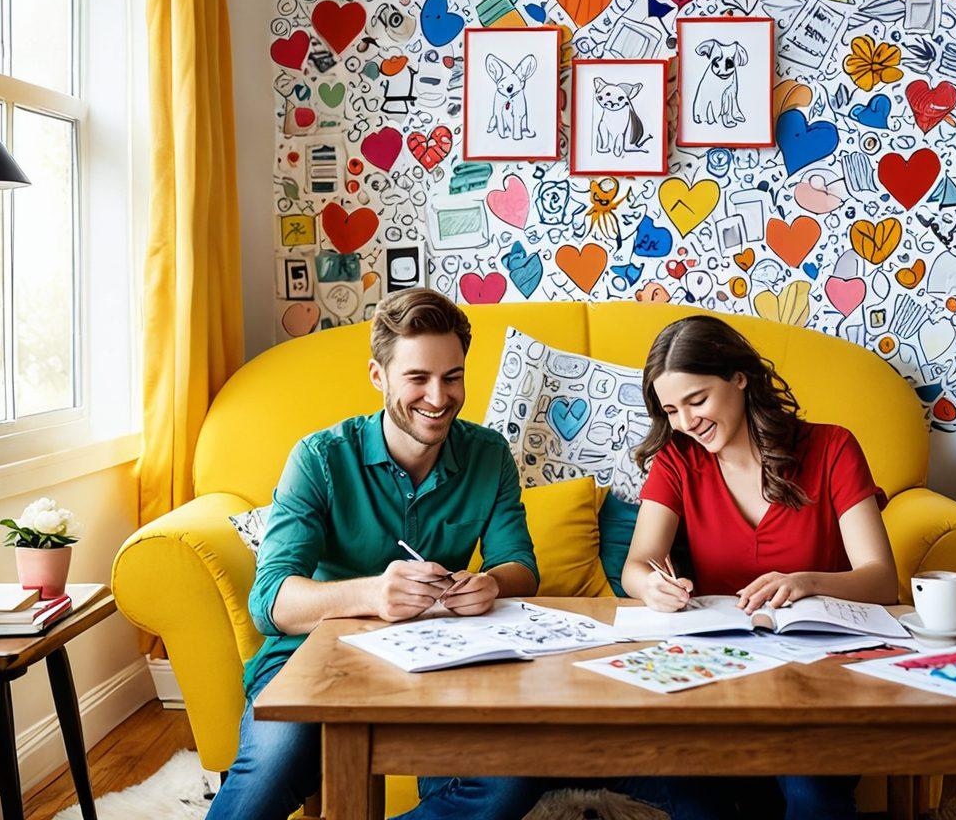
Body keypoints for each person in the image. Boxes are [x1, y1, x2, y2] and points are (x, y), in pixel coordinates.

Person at [206, 288, 543, 820]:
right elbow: (268, 601)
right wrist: (372, 593)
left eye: (452, 377)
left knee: (508, 779)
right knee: (272, 768)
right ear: (377, 376)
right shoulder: (319, 457)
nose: (439, 396)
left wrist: (491, 584)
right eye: (418, 378)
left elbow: (522, 568)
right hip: (312, 660)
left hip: (443, 660)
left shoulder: (488, 453)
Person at [622, 315, 900, 820]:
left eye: (697, 400)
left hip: (819, 674)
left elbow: (882, 579)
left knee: (813, 792)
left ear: (739, 378)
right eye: (671, 410)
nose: (685, 422)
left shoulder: (833, 448)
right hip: (717, 672)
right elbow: (637, 565)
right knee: (693, 791)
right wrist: (652, 588)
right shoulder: (677, 461)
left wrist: (804, 584)